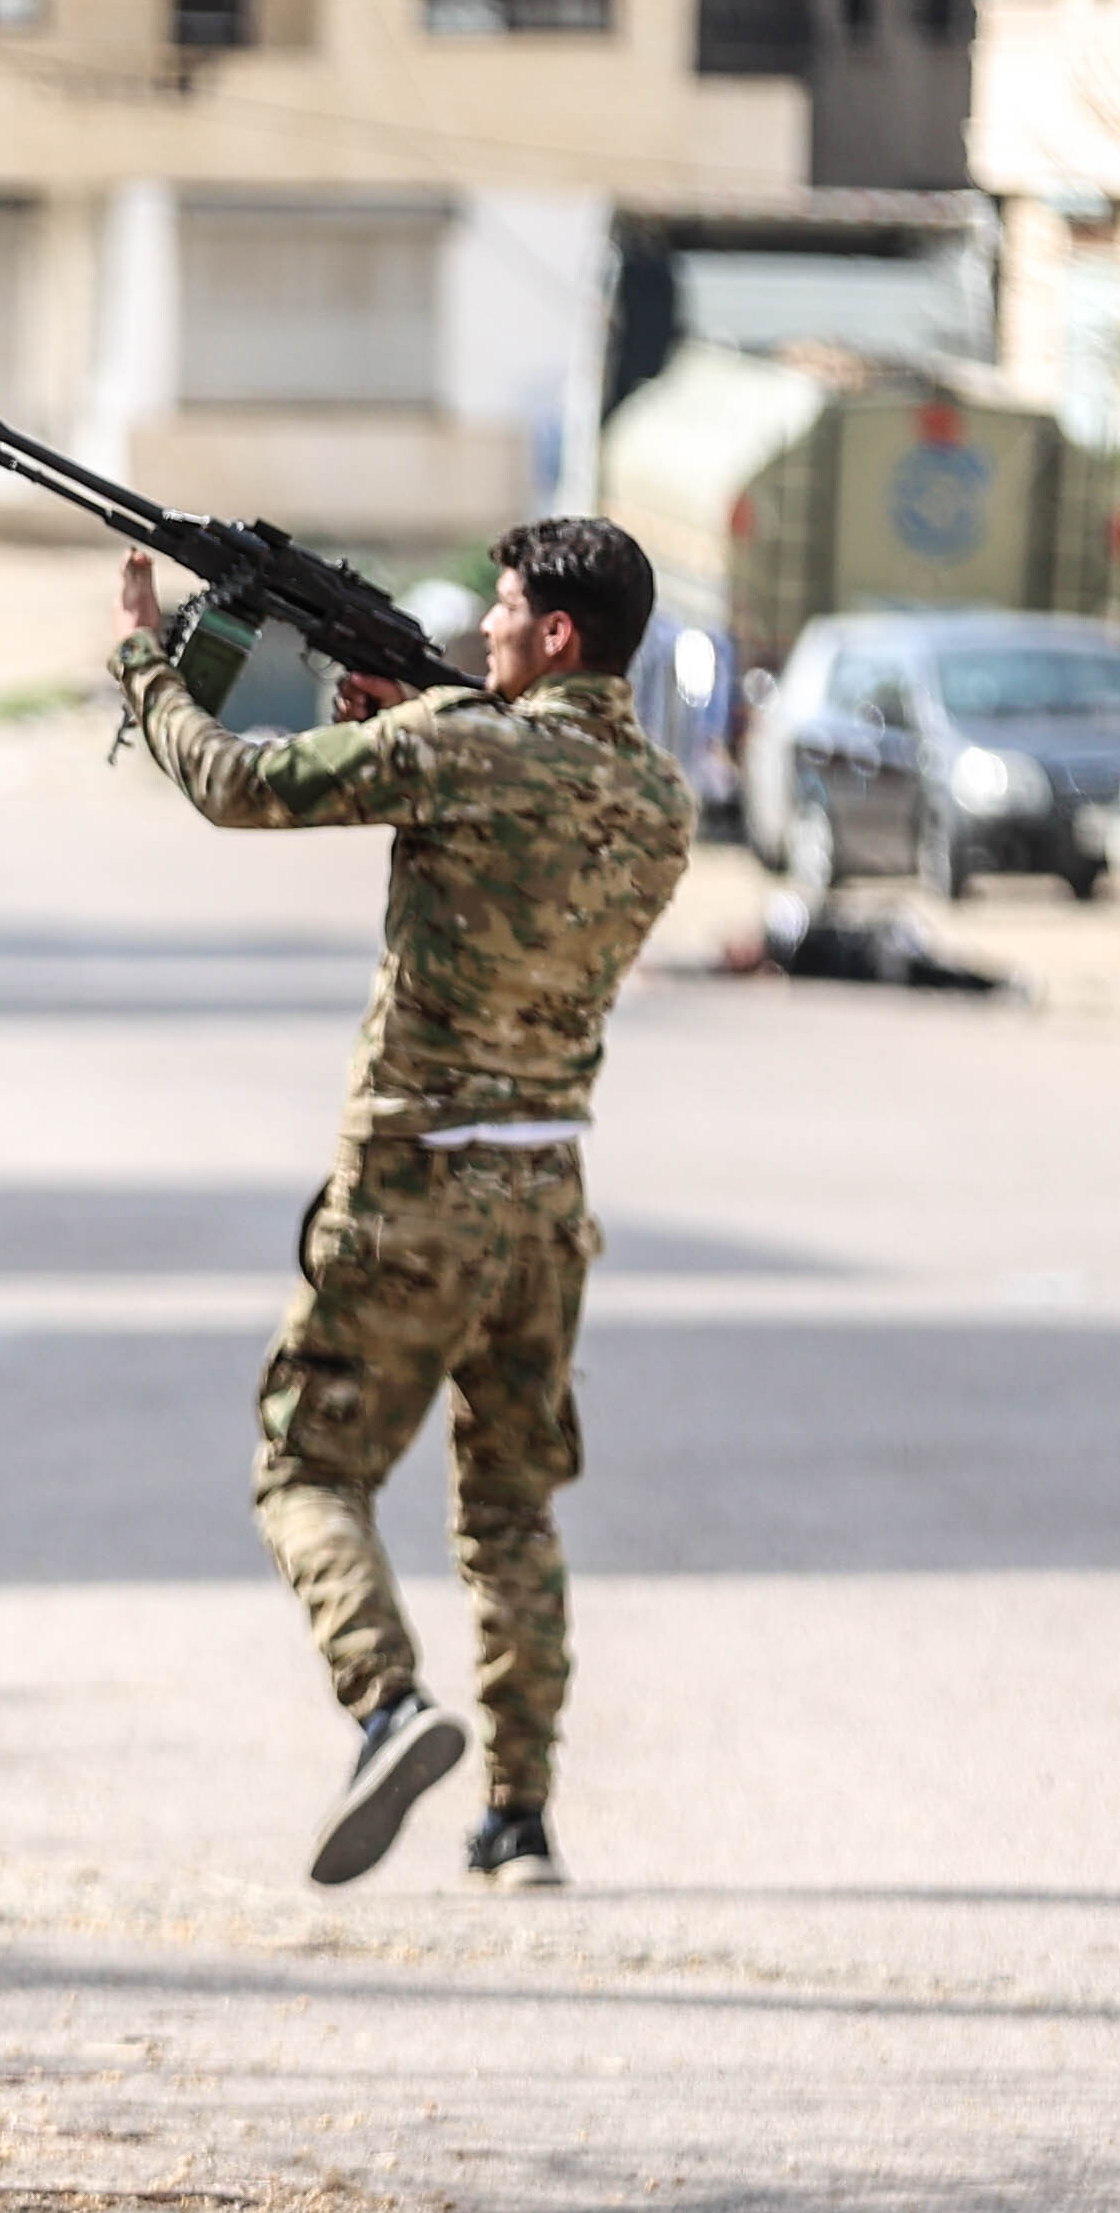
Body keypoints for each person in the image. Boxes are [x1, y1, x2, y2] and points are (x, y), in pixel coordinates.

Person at [106, 517, 694, 1891]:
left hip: (416, 1178)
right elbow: (522, 809)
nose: (483, 628)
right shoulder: (662, 802)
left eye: (501, 612)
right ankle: (522, 1816)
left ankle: (384, 1705)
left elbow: (237, 783)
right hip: (547, 1190)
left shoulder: (457, 752)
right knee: (511, 1508)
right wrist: (424, 716)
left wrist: (147, 659)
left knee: (307, 1465)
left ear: (554, 636)